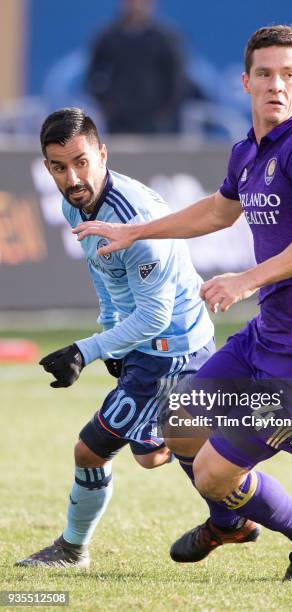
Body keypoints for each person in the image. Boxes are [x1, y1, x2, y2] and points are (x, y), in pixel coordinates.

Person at [73, 25, 292, 582]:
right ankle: (229, 523)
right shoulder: (248, 151)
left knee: (212, 474)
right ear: (246, 81)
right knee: (178, 422)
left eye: (289, 75)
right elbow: (218, 212)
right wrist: (136, 231)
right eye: (266, 74)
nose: (277, 85)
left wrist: (246, 280)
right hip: (264, 338)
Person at [15, 107, 221, 568]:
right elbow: (106, 273)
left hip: (171, 349)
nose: (72, 177)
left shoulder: (137, 222)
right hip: (154, 346)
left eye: (82, 161)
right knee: (151, 456)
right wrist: (112, 334)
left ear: (102, 154)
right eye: (59, 167)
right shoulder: (76, 201)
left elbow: (153, 316)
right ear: (47, 166)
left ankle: (71, 550)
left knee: (90, 448)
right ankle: (228, 494)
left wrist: (85, 350)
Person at [85, 0, 187, 134]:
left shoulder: (165, 37)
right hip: (119, 119)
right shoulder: (109, 36)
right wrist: (105, 103)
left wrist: (166, 109)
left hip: (154, 120)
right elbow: (93, 74)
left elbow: (176, 77)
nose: (137, 6)